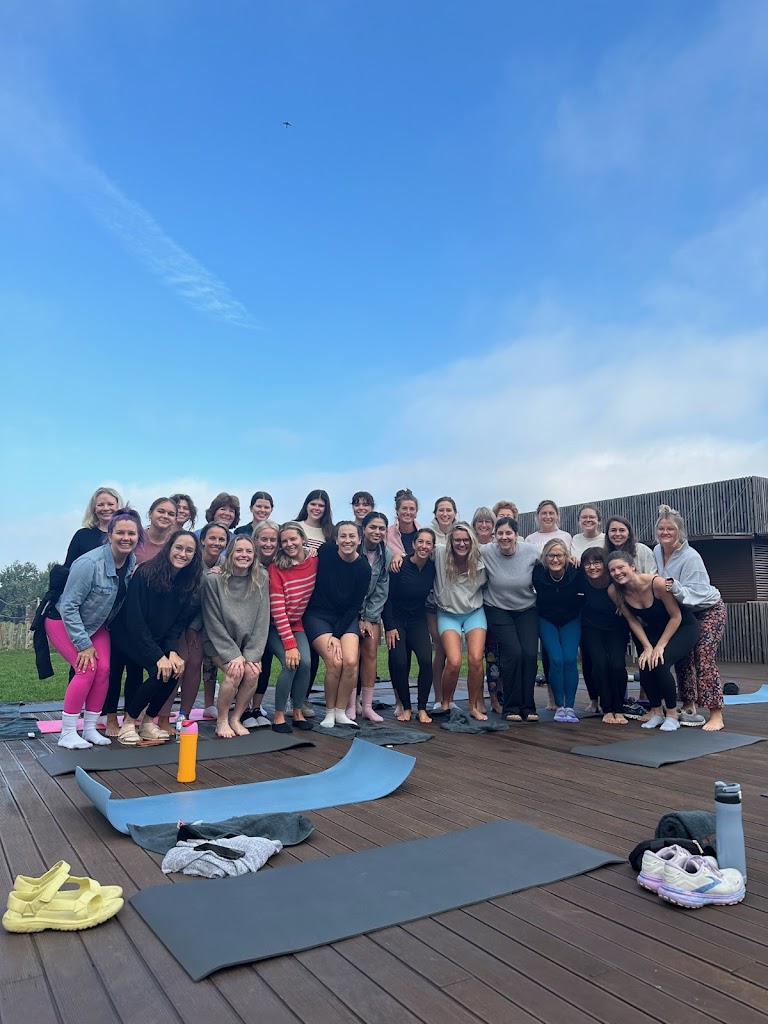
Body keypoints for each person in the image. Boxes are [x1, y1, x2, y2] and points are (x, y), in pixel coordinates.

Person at [45, 509, 141, 748]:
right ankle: (67, 732)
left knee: (104, 669)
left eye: (131, 533)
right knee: (86, 669)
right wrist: (83, 644)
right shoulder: (89, 563)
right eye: (120, 532)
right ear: (109, 535)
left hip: (96, 624)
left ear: (138, 537)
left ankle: (89, 729)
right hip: (63, 621)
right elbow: (68, 606)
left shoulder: (130, 561)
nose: (126, 538)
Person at [112, 531, 202, 745]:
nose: (182, 554)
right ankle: (128, 723)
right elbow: (135, 620)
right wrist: (158, 656)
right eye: (178, 547)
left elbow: (178, 623)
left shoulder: (188, 581)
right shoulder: (146, 573)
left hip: (157, 639)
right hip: (129, 635)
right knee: (159, 671)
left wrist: (171, 652)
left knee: (175, 669)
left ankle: (147, 722)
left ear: (194, 555)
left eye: (189, 550)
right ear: (169, 548)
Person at [607, 551, 699, 731]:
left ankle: (672, 715)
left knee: (660, 662)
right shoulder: (614, 591)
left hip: (682, 626)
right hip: (655, 630)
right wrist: (648, 647)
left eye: (621, 567)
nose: (617, 573)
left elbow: (676, 616)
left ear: (632, 566)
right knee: (645, 664)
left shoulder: (657, 584)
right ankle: (657, 712)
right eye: (612, 570)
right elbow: (632, 620)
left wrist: (660, 646)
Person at [654, 505, 727, 731]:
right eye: (661, 528)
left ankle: (716, 713)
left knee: (703, 657)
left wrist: (674, 587)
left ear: (679, 531)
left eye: (670, 529)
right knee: (683, 657)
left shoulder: (691, 557)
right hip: (682, 613)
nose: (665, 532)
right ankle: (688, 704)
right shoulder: (656, 551)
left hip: (707, 609)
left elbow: (697, 593)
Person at [153, 521, 229, 733]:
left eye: (221, 539)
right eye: (212, 538)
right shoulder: (191, 562)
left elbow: (210, 604)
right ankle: (163, 715)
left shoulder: (225, 565)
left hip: (200, 620)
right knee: (179, 662)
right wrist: (186, 629)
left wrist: (194, 628)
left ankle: (184, 715)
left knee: (195, 662)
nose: (216, 543)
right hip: (175, 620)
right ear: (202, 540)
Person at [303, 521, 371, 728]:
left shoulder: (363, 568)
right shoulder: (326, 552)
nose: (347, 540)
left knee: (350, 661)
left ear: (360, 540)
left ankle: (341, 712)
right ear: (336, 539)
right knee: (335, 662)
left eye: (352, 536)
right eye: (343, 536)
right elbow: (304, 561)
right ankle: (329, 712)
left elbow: (355, 606)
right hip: (318, 615)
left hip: (345, 618)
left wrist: (337, 635)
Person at [201, 535, 270, 738]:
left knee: (252, 672)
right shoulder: (213, 580)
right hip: (218, 642)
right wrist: (232, 654)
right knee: (235, 672)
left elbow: (262, 619)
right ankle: (222, 720)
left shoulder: (261, 578)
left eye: (249, 551)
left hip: (247, 644)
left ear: (254, 555)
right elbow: (212, 621)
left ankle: (236, 718)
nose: (244, 555)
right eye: (239, 550)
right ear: (230, 554)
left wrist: (252, 654)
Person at [481, 516, 540, 721]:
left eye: (508, 533)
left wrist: (571, 559)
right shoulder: (486, 551)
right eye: (500, 533)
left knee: (529, 654)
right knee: (513, 652)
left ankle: (528, 706)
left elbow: (553, 560)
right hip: (497, 608)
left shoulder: (530, 551)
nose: (504, 537)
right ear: (494, 535)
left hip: (526, 608)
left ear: (516, 535)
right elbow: (459, 552)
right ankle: (511, 706)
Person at [267, 522, 318, 733]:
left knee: (305, 663)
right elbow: (277, 610)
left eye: (293, 539)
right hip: (274, 625)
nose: (289, 544)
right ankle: (278, 715)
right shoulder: (276, 568)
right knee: (291, 664)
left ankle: (297, 712)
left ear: (303, 539)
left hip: (296, 623)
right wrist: (289, 645)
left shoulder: (314, 561)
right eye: (284, 541)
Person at [434, 521, 487, 719]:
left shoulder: (481, 557)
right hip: (448, 613)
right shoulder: (439, 553)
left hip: (474, 612)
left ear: (472, 541)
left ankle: (473, 706)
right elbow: (419, 549)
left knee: (475, 659)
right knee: (454, 661)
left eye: (466, 540)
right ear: (450, 542)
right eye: (457, 540)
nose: (462, 544)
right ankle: (445, 703)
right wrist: (398, 556)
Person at [384, 528, 437, 723]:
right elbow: (388, 598)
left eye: (428, 543)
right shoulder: (399, 565)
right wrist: (389, 626)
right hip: (397, 621)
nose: (424, 546)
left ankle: (422, 708)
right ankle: (406, 706)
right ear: (413, 544)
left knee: (426, 661)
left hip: (417, 621)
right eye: (420, 542)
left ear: (433, 547)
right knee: (399, 661)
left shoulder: (432, 568)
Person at [532, 539, 585, 723]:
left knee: (569, 659)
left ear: (567, 557)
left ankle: (569, 707)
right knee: (556, 659)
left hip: (571, 619)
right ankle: (559, 705)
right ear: (544, 557)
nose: (555, 560)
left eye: (559, 555)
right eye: (551, 556)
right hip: (547, 619)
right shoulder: (538, 572)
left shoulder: (575, 571)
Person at [580, 547, 630, 724]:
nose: (592, 567)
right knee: (599, 664)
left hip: (617, 626)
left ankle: (619, 707)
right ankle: (607, 708)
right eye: (588, 564)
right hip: (591, 627)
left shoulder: (616, 580)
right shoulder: (582, 579)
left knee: (617, 665)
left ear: (605, 564)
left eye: (597, 563)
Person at [354, 511, 392, 722]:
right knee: (351, 657)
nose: (377, 532)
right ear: (364, 529)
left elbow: (381, 590)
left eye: (381, 528)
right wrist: (359, 617)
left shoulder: (386, 554)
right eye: (373, 527)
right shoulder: (353, 548)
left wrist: (368, 618)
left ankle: (367, 706)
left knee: (370, 653)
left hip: (372, 613)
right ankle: (351, 704)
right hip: (350, 612)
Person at [473, 507, 502, 713]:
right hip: (473, 607)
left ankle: (496, 698)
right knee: (475, 658)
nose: (484, 525)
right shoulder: (469, 545)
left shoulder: (498, 546)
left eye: (488, 522)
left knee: (495, 656)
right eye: (480, 521)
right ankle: (478, 699)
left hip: (495, 606)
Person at [64, 487, 122, 566]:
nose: (106, 508)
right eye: (100, 505)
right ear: (94, 509)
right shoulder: (82, 536)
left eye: (110, 504)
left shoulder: (127, 536)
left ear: (118, 507)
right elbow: (69, 566)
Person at [136, 497, 178, 564]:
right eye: (161, 511)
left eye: (171, 514)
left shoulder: (175, 544)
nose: (165, 516)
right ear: (150, 514)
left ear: (175, 520)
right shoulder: (136, 538)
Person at [386, 489, 421, 558]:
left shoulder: (423, 534)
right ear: (397, 510)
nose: (408, 512)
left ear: (416, 512)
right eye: (404, 508)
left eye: (412, 509)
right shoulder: (387, 535)